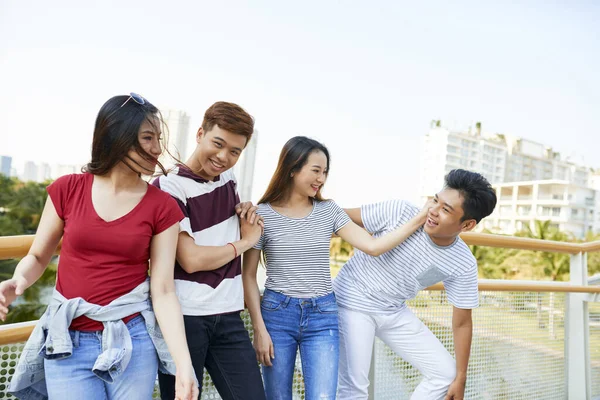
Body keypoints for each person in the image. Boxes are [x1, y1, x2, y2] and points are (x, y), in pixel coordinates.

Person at [1, 93, 197, 400]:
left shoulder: (162, 206)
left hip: (133, 342)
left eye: (158, 138)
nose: (157, 148)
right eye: (148, 137)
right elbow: (38, 255)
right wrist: (18, 281)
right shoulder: (67, 189)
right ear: (116, 136)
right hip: (67, 343)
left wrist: (184, 366)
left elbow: (163, 290)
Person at [242, 136, 432, 400]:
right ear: (292, 168)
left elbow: (374, 246)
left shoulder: (329, 211)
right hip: (276, 315)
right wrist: (259, 330)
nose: (321, 178)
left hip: (323, 315)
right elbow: (249, 276)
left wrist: (419, 218)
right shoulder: (262, 215)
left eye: (325, 172)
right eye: (316, 170)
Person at [334, 169, 497, 400]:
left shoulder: (463, 262)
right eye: (436, 201)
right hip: (352, 301)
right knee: (354, 390)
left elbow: (462, 323)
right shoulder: (400, 211)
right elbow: (336, 217)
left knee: (445, 374)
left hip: (393, 310)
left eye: (446, 210)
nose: (433, 211)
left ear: (467, 225)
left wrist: (461, 377)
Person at [153, 101, 266, 400]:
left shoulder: (228, 179)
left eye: (235, 151)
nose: (223, 157)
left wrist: (244, 213)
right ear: (200, 133)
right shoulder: (168, 187)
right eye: (218, 144)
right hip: (185, 318)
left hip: (228, 313)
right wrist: (245, 242)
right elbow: (190, 259)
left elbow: (225, 228)